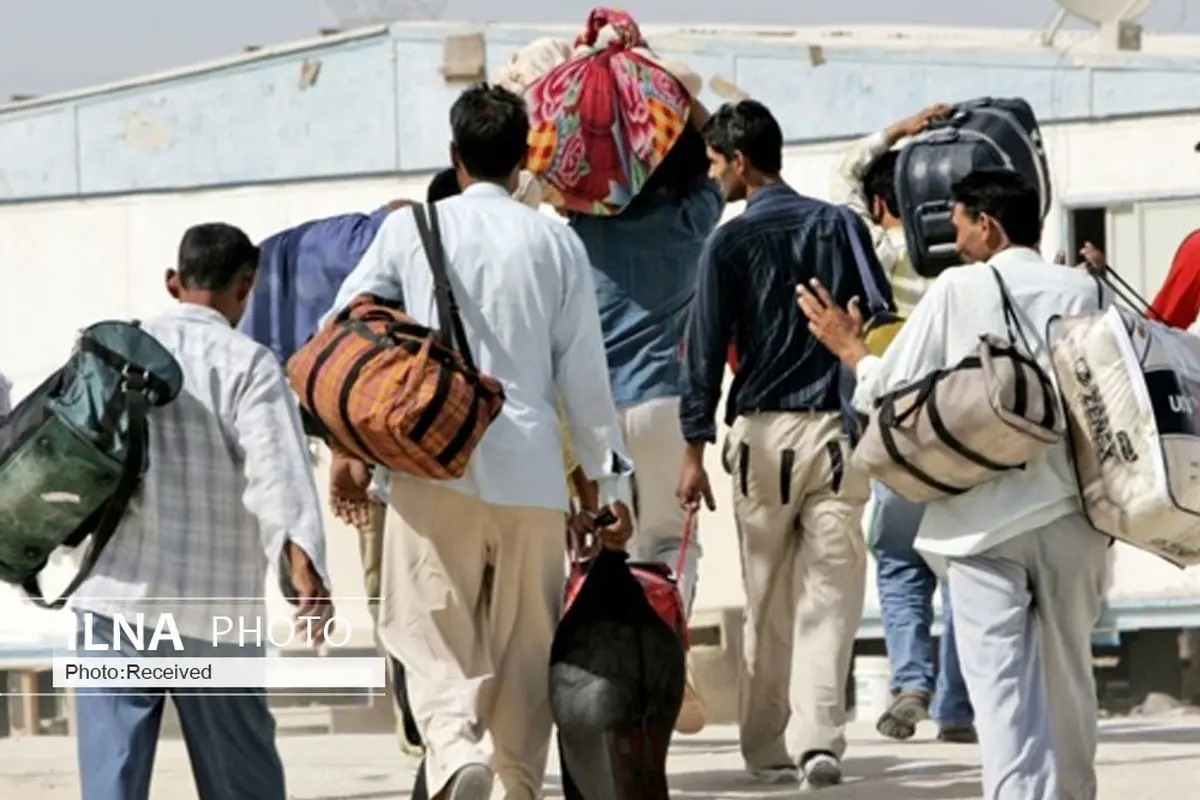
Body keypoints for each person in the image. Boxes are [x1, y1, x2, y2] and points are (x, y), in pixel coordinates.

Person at [322, 82, 634, 800]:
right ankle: (518, 781)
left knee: (426, 624)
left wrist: (351, 444)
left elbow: (346, 327)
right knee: (528, 644)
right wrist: (608, 484)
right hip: (530, 475)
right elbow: (585, 375)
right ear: (523, 161)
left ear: (454, 156)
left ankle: (455, 745)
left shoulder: (411, 231)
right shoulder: (557, 241)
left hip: (433, 466)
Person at [798, 168, 1111, 800]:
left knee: (1001, 692)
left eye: (960, 220)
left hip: (978, 523)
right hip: (1074, 517)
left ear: (987, 225)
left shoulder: (958, 288)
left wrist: (852, 351)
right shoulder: (1086, 290)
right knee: (1070, 678)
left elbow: (892, 389)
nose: (954, 233)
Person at [69, 223, 333, 800]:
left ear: (173, 282)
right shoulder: (251, 364)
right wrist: (303, 564)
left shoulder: (118, 352)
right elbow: (277, 473)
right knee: (242, 780)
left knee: (111, 780)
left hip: (117, 601)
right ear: (247, 286)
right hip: (215, 609)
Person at [676, 99, 888, 790]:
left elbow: (703, 351)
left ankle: (766, 746)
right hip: (836, 431)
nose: (714, 179)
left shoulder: (727, 243)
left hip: (763, 439)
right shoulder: (841, 224)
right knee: (831, 593)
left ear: (740, 162)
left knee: (766, 600)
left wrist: (692, 446)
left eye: (715, 165)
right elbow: (878, 322)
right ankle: (819, 738)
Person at [567, 92, 724, 735]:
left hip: (596, 409)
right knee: (669, 543)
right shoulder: (691, 218)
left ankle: (614, 672)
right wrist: (669, 97)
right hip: (665, 402)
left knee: (608, 549)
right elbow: (717, 153)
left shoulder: (581, 229)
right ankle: (668, 649)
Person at [831, 104, 976, 743]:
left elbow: (843, 178)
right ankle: (958, 707)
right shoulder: (969, 260)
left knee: (898, 560)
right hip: (968, 431)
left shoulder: (881, 250)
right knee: (966, 568)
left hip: (899, 429)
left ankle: (911, 682)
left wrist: (896, 130)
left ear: (885, 202)